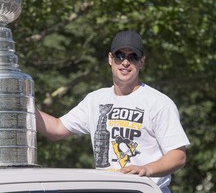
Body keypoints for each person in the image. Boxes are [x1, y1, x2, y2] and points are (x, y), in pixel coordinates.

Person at [36, 30, 190, 193]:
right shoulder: (95, 100)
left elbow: (178, 156)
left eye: (133, 57)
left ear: (141, 62)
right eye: (120, 55)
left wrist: (146, 169)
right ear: (110, 58)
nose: (125, 62)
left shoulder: (159, 103)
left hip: (145, 190)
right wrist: (22, 106)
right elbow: (57, 129)